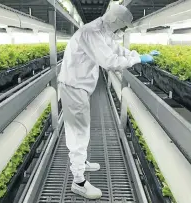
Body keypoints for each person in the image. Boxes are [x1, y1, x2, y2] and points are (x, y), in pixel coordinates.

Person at [57, 3, 156, 199]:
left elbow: (116, 49)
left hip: (79, 87)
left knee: (82, 129)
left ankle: (81, 163)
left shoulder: (103, 30)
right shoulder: (92, 32)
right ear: (115, 21)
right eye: (121, 27)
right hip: (74, 88)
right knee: (78, 132)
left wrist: (134, 55)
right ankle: (78, 181)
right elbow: (110, 61)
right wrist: (138, 59)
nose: (121, 31)